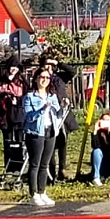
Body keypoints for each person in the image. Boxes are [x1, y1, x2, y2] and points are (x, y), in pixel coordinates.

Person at [23, 68, 66, 206]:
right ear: (36, 78)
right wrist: (42, 109)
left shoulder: (52, 96)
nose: (44, 80)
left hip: (50, 131)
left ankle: (42, 192)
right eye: (42, 77)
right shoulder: (30, 97)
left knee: (45, 164)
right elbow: (28, 117)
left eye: (47, 78)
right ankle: (33, 194)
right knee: (34, 164)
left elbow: (58, 115)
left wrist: (63, 107)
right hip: (35, 133)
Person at [40, 52, 78, 182]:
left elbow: (73, 72)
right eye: (47, 64)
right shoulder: (41, 78)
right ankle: (51, 172)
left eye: (51, 65)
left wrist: (58, 63)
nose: (49, 67)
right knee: (50, 143)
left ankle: (62, 170)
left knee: (62, 142)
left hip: (62, 115)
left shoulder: (60, 77)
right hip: (49, 115)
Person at [0, 58, 26, 176]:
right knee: (8, 143)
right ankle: (8, 168)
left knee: (20, 142)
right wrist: (3, 97)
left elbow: (27, 97)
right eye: (11, 66)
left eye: (16, 67)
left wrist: (17, 100)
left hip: (19, 116)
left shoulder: (22, 81)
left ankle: (19, 168)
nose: (13, 69)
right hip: (5, 118)